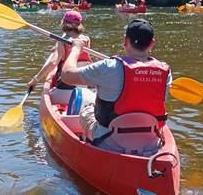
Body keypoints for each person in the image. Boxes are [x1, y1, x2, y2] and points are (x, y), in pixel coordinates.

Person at [60, 19, 172, 153]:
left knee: (87, 110)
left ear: (125, 41)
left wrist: (76, 49)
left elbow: (66, 76)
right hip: (151, 143)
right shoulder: (165, 72)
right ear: (151, 44)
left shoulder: (109, 66)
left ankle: (89, 145)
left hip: (109, 142)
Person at [27, 10, 92, 104]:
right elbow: (79, 54)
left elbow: (53, 63)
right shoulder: (86, 39)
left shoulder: (61, 41)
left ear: (64, 23)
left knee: (47, 96)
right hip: (84, 91)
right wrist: (57, 47)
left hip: (66, 91)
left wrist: (35, 80)